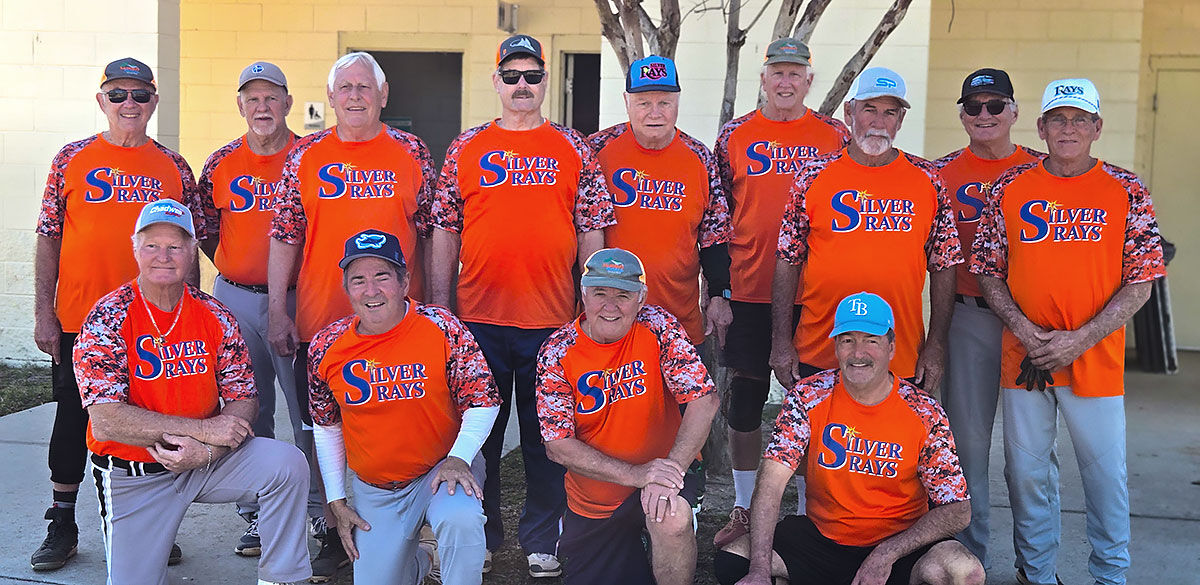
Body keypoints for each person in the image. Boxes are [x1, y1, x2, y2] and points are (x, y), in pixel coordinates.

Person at [429, 34, 615, 577]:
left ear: (545, 82)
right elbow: (444, 229)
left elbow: (591, 228)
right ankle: (479, 536)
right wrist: (441, 307)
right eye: (511, 76)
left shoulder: (573, 146)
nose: (522, 85)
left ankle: (542, 539)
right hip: (478, 319)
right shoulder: (467, 147)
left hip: (552, 320)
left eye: (532, 75)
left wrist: (590, 302)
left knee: (545, 438)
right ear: (496, 82)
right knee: (478, 436)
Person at [971, 78, 1166, 585]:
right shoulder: (1009, 188)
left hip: (1094, 357)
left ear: (1097, 128)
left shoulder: (1126, 189)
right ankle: (1036, 574)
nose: (1068, 128)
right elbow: (988, 270)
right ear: (1040, 127)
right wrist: (1024, 329)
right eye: (1058, 119)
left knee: (1104, 475)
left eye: (1080, 119)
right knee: (1027, 474)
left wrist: (1081, 338)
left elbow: (1142, 281)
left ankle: (1110, 576)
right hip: (1026, 357)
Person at [74, 199, 311, 585]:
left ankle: (280, 579)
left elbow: (244, 396)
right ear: (135, 249)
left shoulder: (213, 314)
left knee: (287, 464)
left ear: (192, 251)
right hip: (136, 475)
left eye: (175, 246)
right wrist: (202, 431)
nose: (163, 256)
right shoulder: (108, 317)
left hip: (207, 463)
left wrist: (209, 451)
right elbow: (106, 421)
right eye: (152, 245)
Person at [31, 57, 205, 571]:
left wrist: (192, 313)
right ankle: (62, 522)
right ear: (102, 100)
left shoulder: (174, 167)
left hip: (153, 321)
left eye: (140, 94)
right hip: (79, 318)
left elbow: (189, 247)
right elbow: (49, 237)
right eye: (118, 94)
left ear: (154, 101)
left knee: (148, 422)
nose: (130, 103)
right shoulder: (71, 159)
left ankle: (149, 523)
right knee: (73, 419)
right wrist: (43, 311)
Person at [268, 51, 436, 582]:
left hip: (399, 326)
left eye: (365, 87)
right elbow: (285, 234)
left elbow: (433, 232)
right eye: (346, 87)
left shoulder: (411, 151)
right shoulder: (306, 154)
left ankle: (410, 526)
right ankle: (329, 526)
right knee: (321, 431)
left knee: (401, 423)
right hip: (322, 323)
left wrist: (436, 306)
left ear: (383, 95)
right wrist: (277, 309)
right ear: (331, 97)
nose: (356, 96)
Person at [714, 292, 984, 585]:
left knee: (963, 571)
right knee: (735, 561)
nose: (858, 353)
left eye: (871, 340)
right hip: (824, 540)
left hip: (900, 545)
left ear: (891, 347)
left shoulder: (924, 411)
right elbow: (771, 482)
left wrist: (888, 553)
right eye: (847, 340)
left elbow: (958, 510)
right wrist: (759, 570)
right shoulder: (808, 397)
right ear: (836, 346)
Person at [711, 38, 849, 546]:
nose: (786, 82)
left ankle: (810, 513)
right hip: (750, 287)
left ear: (809, 80)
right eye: (778, 73)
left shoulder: (835, 135)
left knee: (815, 404)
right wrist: (718, 289)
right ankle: (745, 508)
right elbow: (717, 215)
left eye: (795, 73)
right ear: (764, 78)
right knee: (745, 400)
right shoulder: (735, 135)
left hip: (815, 294)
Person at [307, 228, 501, 585]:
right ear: (346, 288)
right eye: (359, 280)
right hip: (377, 489)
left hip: (442, 470)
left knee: (461, 519)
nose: (371, 290)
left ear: (404, 282)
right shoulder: (326, 346)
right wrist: (336, 500)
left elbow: (483, 400)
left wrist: (459, 458)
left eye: (382, 276)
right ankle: (421, 562)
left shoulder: (441, 327)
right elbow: (326, 425)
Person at [770, 65, 961, 402]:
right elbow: (788, 259)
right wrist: (781, 342)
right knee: (814, 434)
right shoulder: (813, 175)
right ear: (849, 113)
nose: (879, 122)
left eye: (890, 113)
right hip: (819, 349)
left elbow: (944, 265)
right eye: (869, 109)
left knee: (891, 437)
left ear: (900, 120)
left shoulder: (928, 179)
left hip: (899, 353)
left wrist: (937, 345)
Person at [197, 60, 326, 558]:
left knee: (307, 409)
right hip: (234, 297)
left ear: (288, 102)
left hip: (299, 298)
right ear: (240, 105)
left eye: (272, 97)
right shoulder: (221, 162)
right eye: (252, 98)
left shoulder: (312, 155)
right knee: (248, 406)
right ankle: (257, 510)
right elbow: (205, 230)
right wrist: (238, 268)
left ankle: (318, 509)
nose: (262, 107)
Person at [537, 248, 719, 585]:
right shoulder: (557, 351)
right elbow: (557, 446)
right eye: (600, 293)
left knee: (671, 516)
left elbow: (704, 400)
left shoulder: (657, 325)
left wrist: (668, 472)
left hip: (664, 477)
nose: (610, 306)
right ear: (583, 294)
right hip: (596, 500)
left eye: (623, 295)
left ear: (641, 299)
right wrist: (637, 475)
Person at [930, 68, 1043, 568]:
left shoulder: (1042, 168)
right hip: (969, 317)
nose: (984, 114)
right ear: (962, 115)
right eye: (974, 106)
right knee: (967, 447)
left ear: (1014, 112)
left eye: (995, 105)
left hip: (1032, 323)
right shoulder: (939, 173)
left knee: (1030, 454)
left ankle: (1034, 565)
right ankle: (968, 561)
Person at [588, 55, 732, 349]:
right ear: (626, 101)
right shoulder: (596, 150)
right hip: (608, 321)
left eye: (664, 102)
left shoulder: (699, 157)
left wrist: (719, 294)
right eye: (643, 103)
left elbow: (715, 237)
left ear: (677, 102)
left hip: (678, 322)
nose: (654, 113)